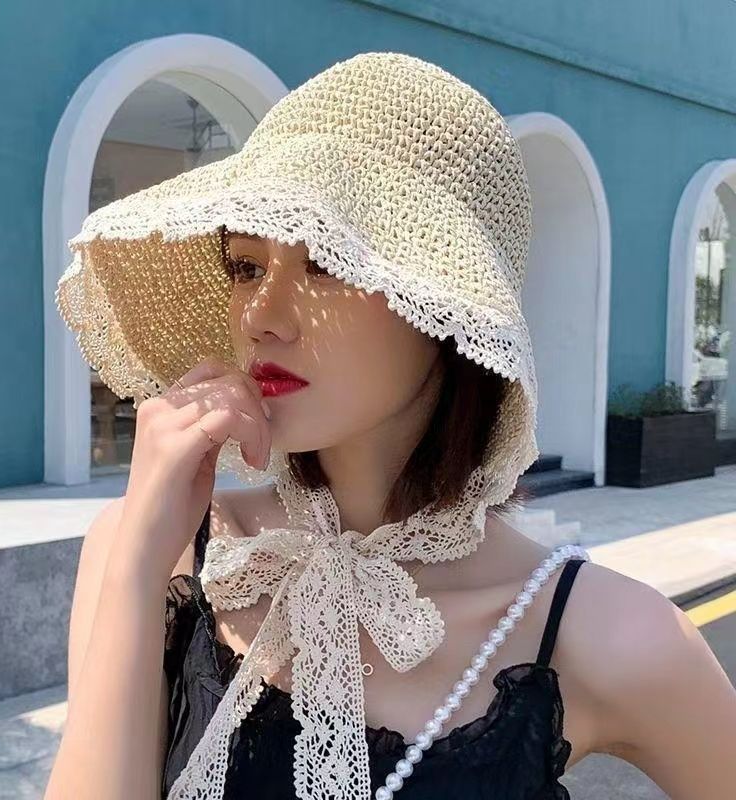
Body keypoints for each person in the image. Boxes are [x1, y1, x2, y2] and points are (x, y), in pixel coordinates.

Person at [45, 52, 736, 800]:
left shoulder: (598, 634)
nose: (260, 317)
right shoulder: (160, 553)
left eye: (324, 262)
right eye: (246, 267)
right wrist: (138, 563)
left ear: (444, 305)